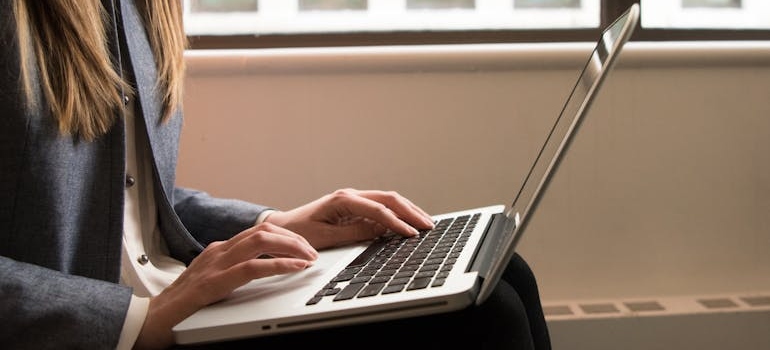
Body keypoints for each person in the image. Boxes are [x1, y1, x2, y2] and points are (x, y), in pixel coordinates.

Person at [0, 1, 551, 349]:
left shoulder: (143, 10)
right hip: (107, 323)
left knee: (503, 275)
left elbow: (127, 206)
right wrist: (134, 320)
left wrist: (276, 223)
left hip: (175, 302)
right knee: (487, 319)